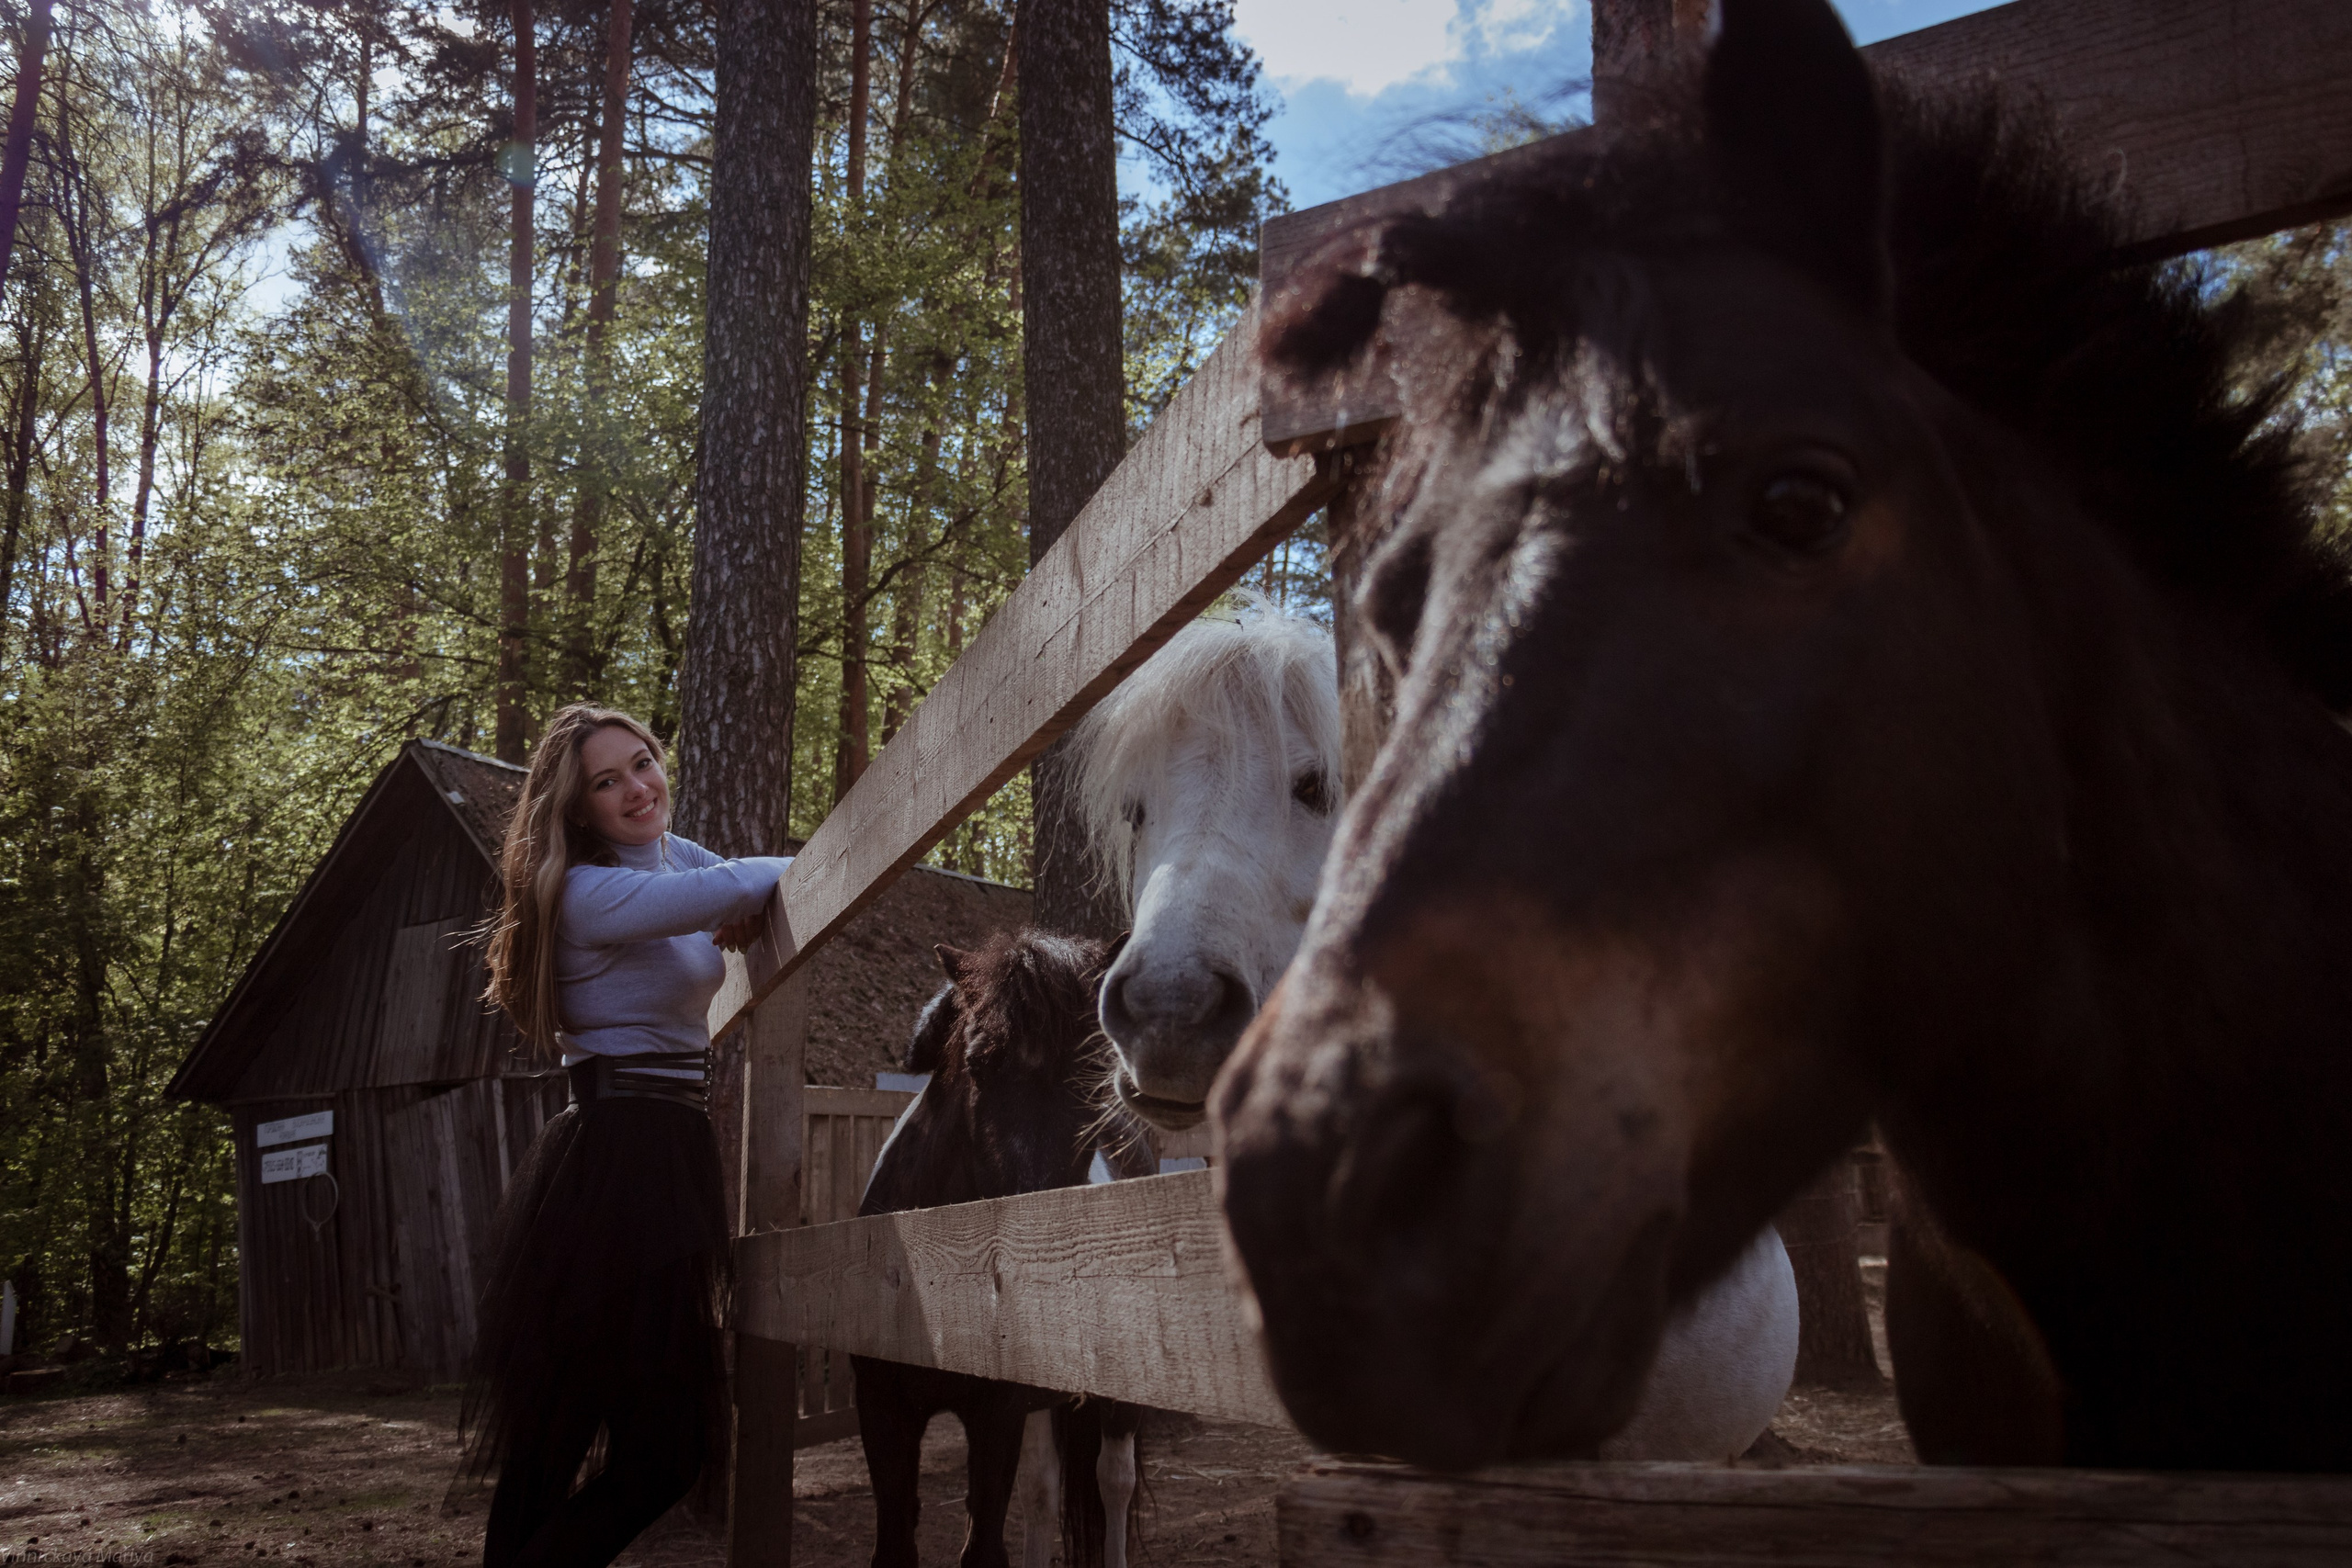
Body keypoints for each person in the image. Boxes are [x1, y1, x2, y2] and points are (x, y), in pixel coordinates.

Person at [461, 703, 791, 1568]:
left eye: (642, 762)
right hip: (619, 1159)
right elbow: (739, 885)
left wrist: (749, 900)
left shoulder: (672, 857)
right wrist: (769, 885)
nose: (637, 788)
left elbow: (730, 886)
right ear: (578, 808)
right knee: (622, 1448)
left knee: (603, 1446)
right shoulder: (583, 891)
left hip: (663, 1149)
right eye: (607, 782)